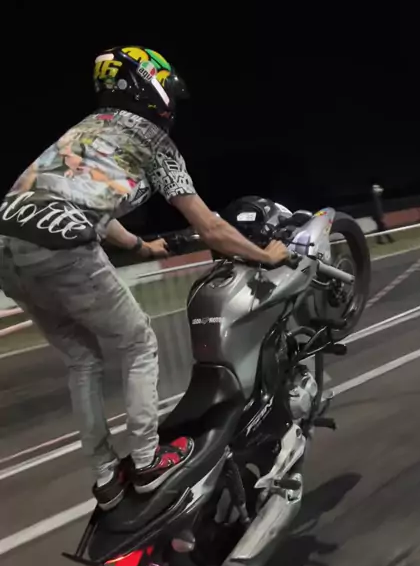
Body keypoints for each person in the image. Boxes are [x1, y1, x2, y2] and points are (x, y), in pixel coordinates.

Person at [0, 45, 288, 511]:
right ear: (152, 88)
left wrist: (141, 247)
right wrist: (265, 255)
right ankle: (147, 462)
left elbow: (86, 202)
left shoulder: (86, 129)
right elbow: (210, 227)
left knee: (82, 358)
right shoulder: (153, 141)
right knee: (138, 343)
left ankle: (105, 478)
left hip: (6, 241)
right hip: (60, 247)